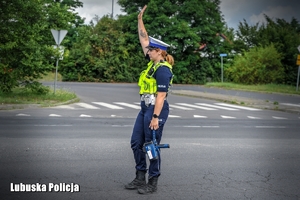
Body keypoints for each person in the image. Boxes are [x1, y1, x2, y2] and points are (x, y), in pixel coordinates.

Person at [124, 5, 174, 194]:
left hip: (155, 110)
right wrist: (139, 20)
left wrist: (155, 117)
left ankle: (152, 182)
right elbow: (144, 39)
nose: (148, 51)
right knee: (137, 143)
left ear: (160, 52)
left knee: (151, 146)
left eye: (151, 49)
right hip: (145, 108)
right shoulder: (152, 64)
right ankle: (139, 177)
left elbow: (161, 96)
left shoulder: (162, 70)